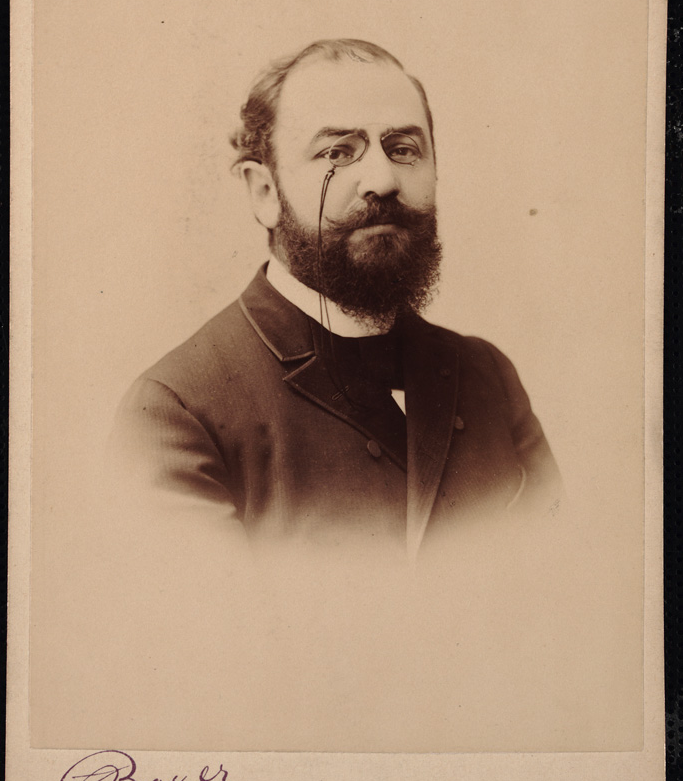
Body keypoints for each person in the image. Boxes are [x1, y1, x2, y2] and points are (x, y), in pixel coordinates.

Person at [111, 39, 563, 561]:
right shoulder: (176, 412)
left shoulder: (488, 376)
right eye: (336, 153)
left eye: (403, 149)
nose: (383, 181)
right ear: (264, 192)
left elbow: (557, 583)